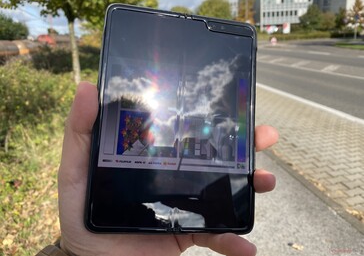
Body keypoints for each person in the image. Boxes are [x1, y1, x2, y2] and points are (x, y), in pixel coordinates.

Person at [37, 82, 279, 256]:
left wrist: (212, 212)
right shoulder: (110, 208)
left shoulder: (139, 211)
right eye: (133, 142)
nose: (145, 158)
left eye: (146, 142)